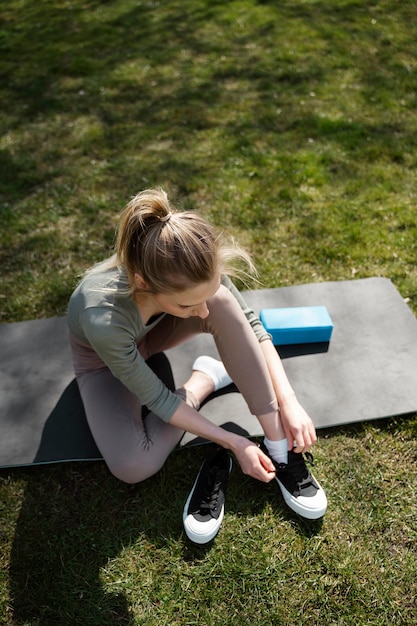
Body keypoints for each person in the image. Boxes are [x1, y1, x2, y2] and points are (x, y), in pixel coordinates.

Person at [67, 189, 327, 544]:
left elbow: (253, 328)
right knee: (133, 466)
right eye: (191, 304)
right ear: (143, 283)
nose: (203, 314)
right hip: (103, 364)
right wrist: (234, 441)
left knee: (220, 301)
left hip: (155, 330)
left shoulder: (194, 260)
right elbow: (160, 401)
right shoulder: (102, 318)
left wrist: (288, 402)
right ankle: (204, 379)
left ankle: (277, 443)